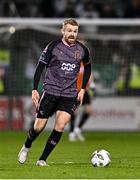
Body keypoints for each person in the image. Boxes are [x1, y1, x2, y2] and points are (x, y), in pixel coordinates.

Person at [18, 18, 91, 166]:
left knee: (61, 126)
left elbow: (88, 67)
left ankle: (42, 159)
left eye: (75, 31)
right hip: (50, 91)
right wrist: (34, 89)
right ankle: (26, 146)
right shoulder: (53, 46)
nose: (72, 34)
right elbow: (40, 67)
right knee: (39, 126)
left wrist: (82, 89)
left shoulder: (82, 50)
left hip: (69, 94)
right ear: (62, 31)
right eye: (69, 30)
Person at [69, 63, 95, 141]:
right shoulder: (73, 63)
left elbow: (89, 73)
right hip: (74, 90)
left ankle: (78, 129)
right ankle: (72, 132)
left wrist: (92, 83)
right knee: (74, 112)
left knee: (89, 110)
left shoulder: (86, 63)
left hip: (84, 91)